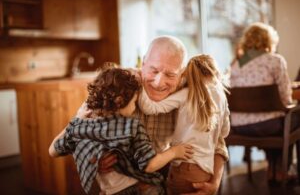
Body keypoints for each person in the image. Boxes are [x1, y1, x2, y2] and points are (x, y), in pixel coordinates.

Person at [78, 36, 229, 195]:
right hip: (115, 186)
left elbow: (217, 141)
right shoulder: (119, 85)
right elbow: (76, 132)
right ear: (143, 63)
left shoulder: (187, 94)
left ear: (182, 74)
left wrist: (214, 182)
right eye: (154, 70)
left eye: (170, 75)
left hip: (159, 178)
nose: (158, 82)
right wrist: (93, 160)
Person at [49, 67, 193, 195]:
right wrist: (175, 152)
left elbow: (53, 151)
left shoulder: (80, 125)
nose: (135, 108)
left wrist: (76, 120)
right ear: (119, 101)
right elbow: (149, 164)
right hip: (139, 188)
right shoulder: (131, 127)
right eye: (134, 103)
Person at [138, 54, 230, 194]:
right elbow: (224, 132)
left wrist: (139, 83)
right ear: (215, 72)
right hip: (205, 170)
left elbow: (151, 108)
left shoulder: (186, 94)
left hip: (182, 166)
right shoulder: (222, 97)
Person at [229, 22, 293, 182]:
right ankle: (281, 170)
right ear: (268, 41)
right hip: (269, 126)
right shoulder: (275, 61)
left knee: (276, 120)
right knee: (290, 119)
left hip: (239, 127)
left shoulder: (236, 65)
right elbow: (285, 99)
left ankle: (274, 168)